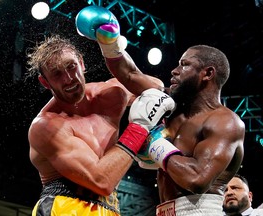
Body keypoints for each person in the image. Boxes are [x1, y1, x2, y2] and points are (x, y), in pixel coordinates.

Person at [76, 5, 246, 215]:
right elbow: (129, 74)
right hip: (164, 210)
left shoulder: (225, 122)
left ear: (207, 73)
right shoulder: (169, 104)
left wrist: (154, 142)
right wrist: (110, 43)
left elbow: (196, 179)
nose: (174, 71)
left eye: (184, 65)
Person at [26, 34, 176, 216]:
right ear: (45, 82)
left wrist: (114, 52)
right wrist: (139, 128)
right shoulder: (47, 126)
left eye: (71, 66)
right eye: (57, 73)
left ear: (81, 63)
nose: (68, 79)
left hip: (109, 208)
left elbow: (156, 89)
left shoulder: (111, 95)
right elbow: (101, 180)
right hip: (65, 206)